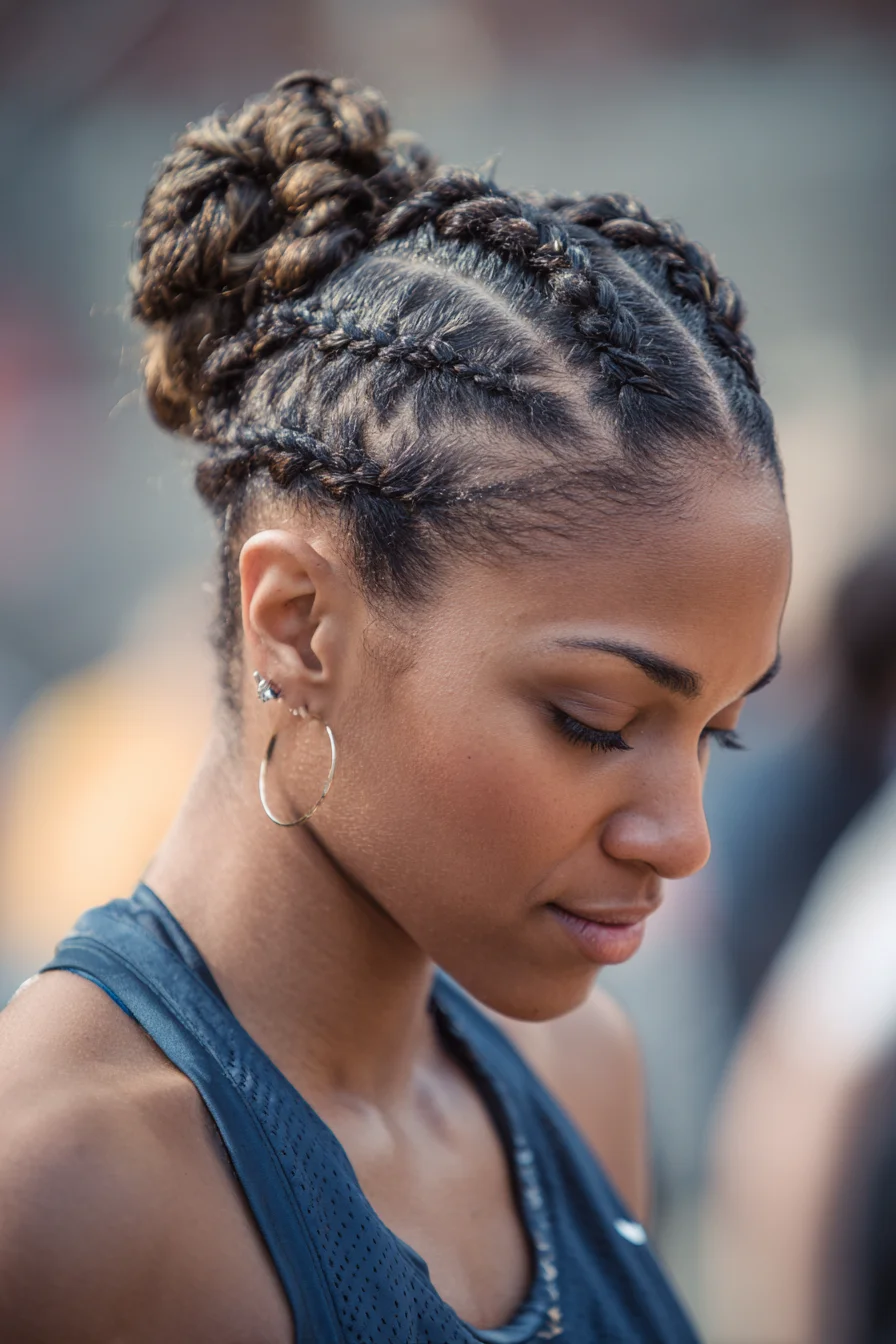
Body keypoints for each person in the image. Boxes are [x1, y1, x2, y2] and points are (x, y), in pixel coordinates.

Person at [0, 71, 789, 1342]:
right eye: (592, 719)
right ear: (298, 623)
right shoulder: (63, 1185)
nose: (681, 836)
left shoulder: (579, 1077)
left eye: (716, 731)